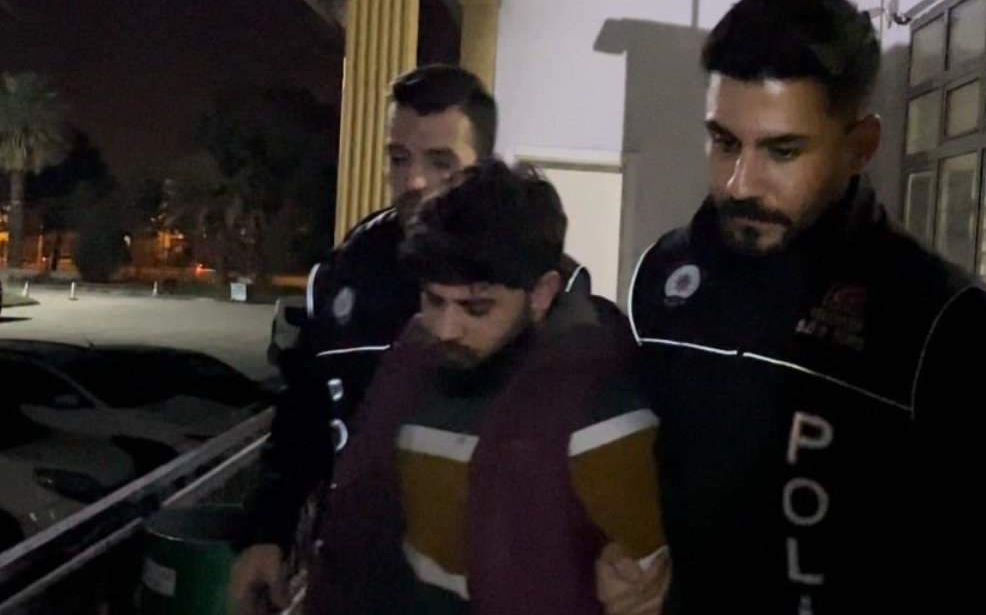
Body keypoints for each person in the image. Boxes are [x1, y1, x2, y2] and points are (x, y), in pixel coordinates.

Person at [606, 0, 986, 614]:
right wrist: (620, 561)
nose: (740, 183)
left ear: (860, 146)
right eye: (724, 142)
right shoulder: (663, 278)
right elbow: (644, 481)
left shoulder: (956, 329)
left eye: (783, 150)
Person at [302, 159, 666, 615]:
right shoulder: (410, 360)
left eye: (476, 308)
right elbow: (360, 521)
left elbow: (652, 578)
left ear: (541, 293)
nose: (446, 329)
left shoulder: (600, 405)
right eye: (434, 300)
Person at [230, 65, 501, 613]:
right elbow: (305, 411)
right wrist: (268, 531)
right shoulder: (348, 270)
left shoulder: (525, 280)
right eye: (399, 158)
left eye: (441, 162)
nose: (415, 181)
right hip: (356, 579)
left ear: (485, 169)